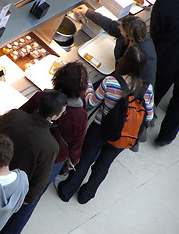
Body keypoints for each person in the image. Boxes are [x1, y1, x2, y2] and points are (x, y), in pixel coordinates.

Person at [55, 46, 154, 205]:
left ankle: (66, 191)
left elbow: (91, 102)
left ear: (125, 61)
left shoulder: (111, 82)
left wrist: (87, 85)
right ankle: (85, 196)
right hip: (124, 135)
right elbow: (148, 115)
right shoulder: (147, 88)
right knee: (103, 165)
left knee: (85, 160)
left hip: (100, 129)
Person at [0, 90, 67, 234]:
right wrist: (29, 198)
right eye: (62, 113)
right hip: (14, 186)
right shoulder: (50, 146)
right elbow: (41, 177)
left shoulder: (15, 116)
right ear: (53, 117)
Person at [21, 61, 88, 183]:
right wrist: (72, 161)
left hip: (28, 148)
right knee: (35, 191)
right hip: (54, 159)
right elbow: (76, 144)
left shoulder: (40, 97)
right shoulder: (81, 115)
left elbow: (21, 115)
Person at [76, 4, 156, 86]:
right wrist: (88, 12)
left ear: (129, 35)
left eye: (121, 28)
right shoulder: (134, 35)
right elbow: (110, 25)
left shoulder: (140, 55)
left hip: (128, 89)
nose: (118, 27)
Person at [150, 0, 179, 146]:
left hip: (166, 60)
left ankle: (145, 120)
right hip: (168, 59)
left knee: (155, 92)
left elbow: (153, 35)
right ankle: (165, 137)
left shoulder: (165, 4)